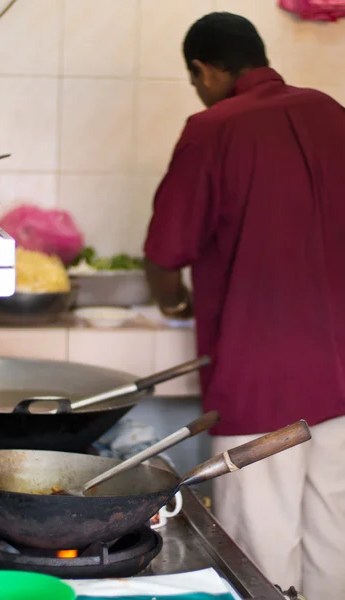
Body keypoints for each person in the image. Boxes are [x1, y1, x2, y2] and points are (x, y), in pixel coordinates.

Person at [143, 11, 345, 600]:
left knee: (257, 547)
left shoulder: (214, 127)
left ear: (204, 70)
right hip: (339, 370)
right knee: (333, 535)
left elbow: (165, 251)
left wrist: (175, 300)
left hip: (262, 379)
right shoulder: (332, 113)